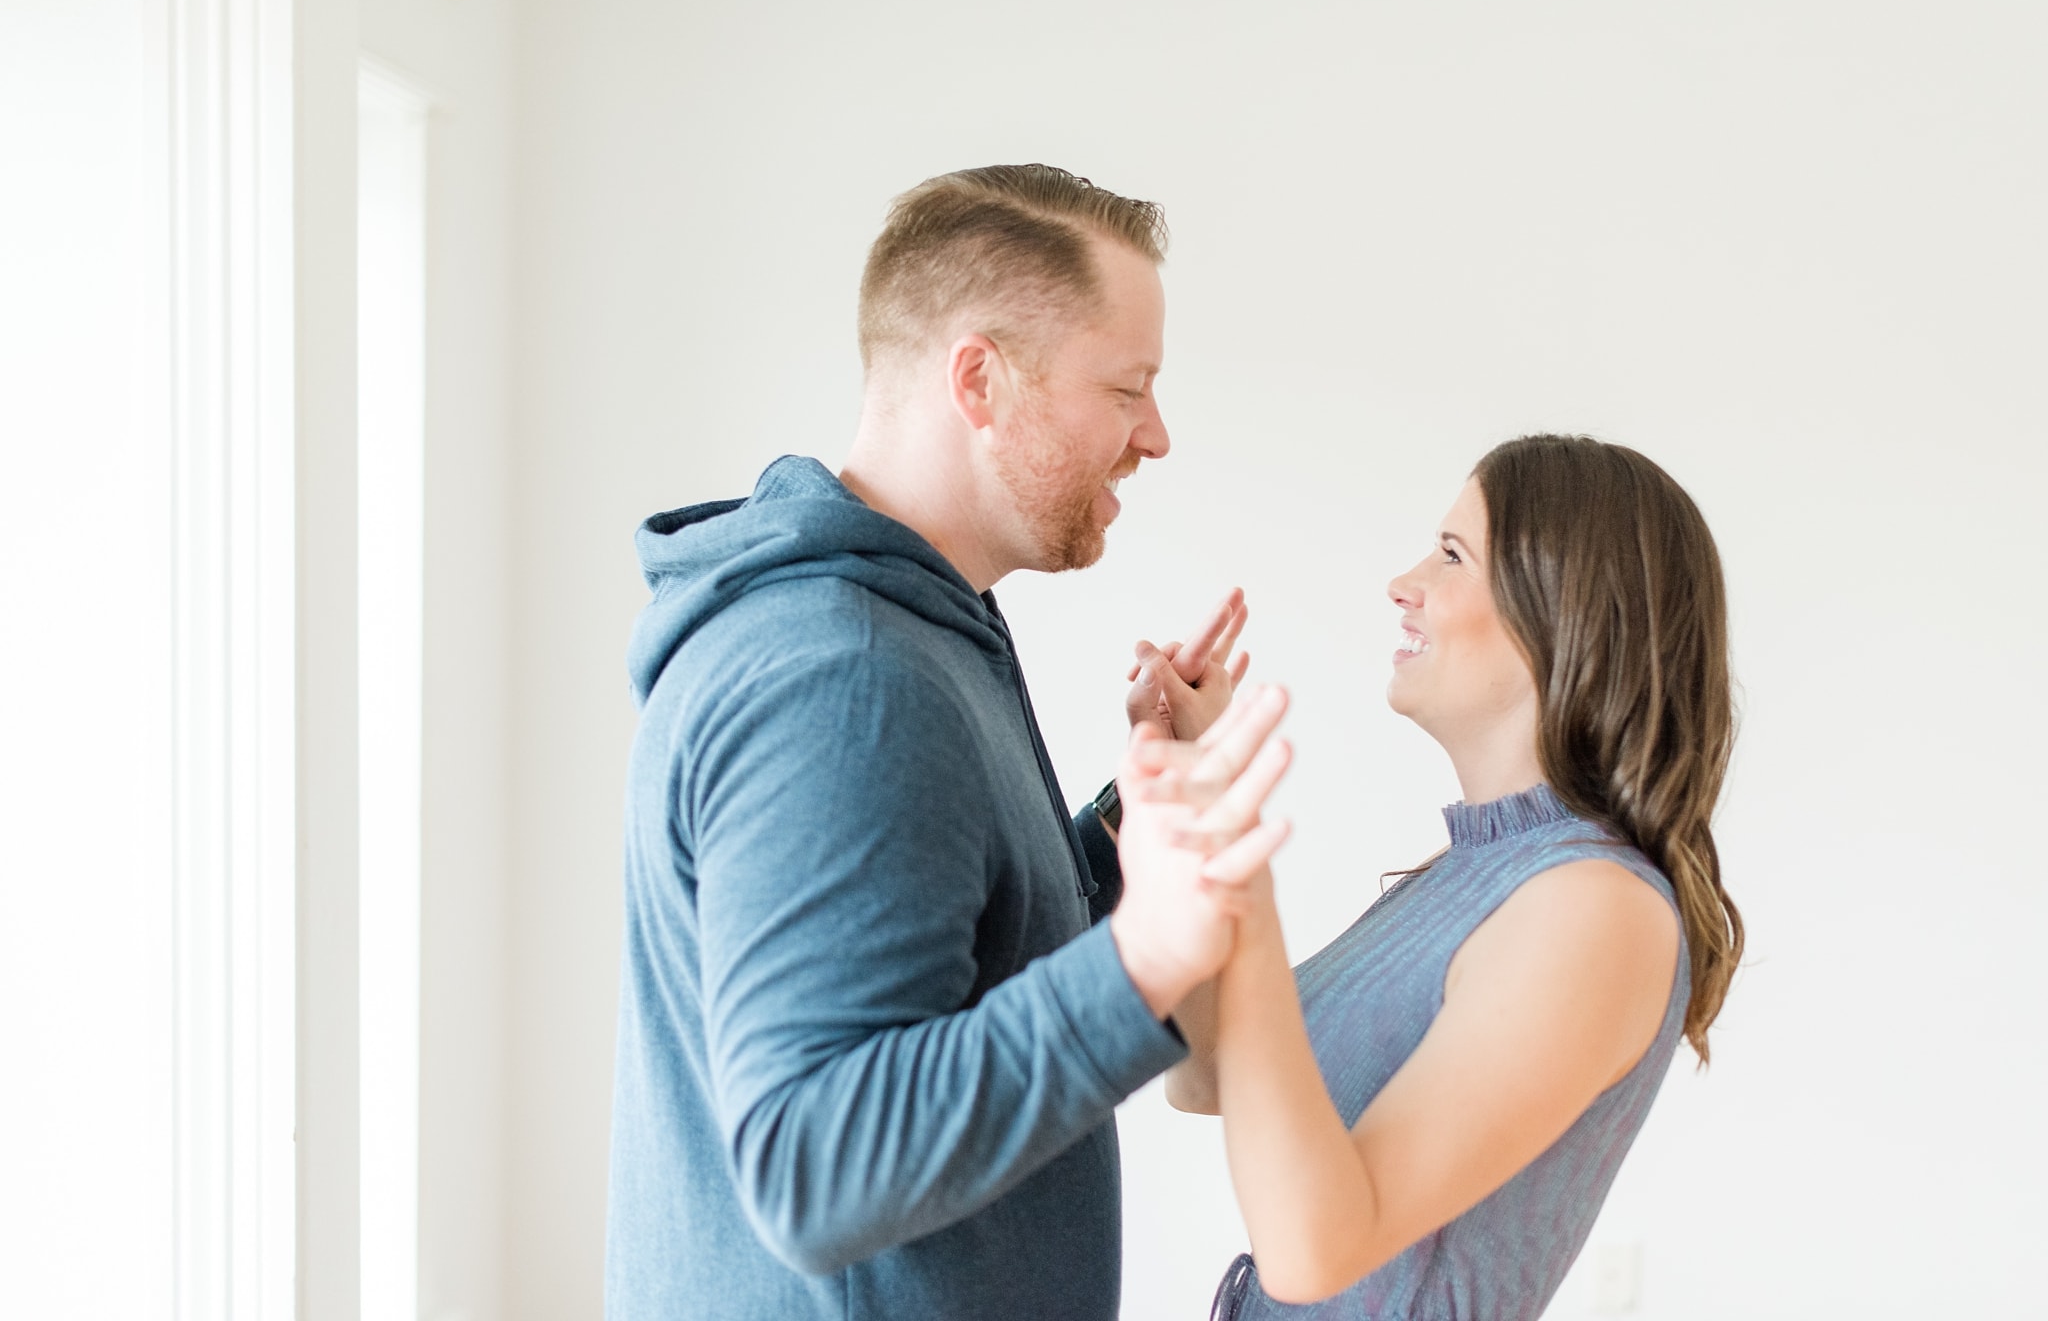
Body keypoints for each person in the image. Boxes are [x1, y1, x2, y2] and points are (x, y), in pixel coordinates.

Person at [603, 164, 1285, 1320]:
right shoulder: (845, 678)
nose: (1154, 436)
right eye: (1126, 386)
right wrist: (1142, 962)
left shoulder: (916, 632)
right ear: (979, 379)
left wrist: (1135, 820)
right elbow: (812, 1166)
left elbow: (957, 955)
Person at [1126, 434, 1745, 1319]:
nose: (1402, 583)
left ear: (1563, 613)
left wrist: (1244, 870)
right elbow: (1206, 1072)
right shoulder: (1469, 879)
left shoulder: (1594, 909)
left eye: (1453, 555)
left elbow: (1310, 1251)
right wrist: (1193, 789)